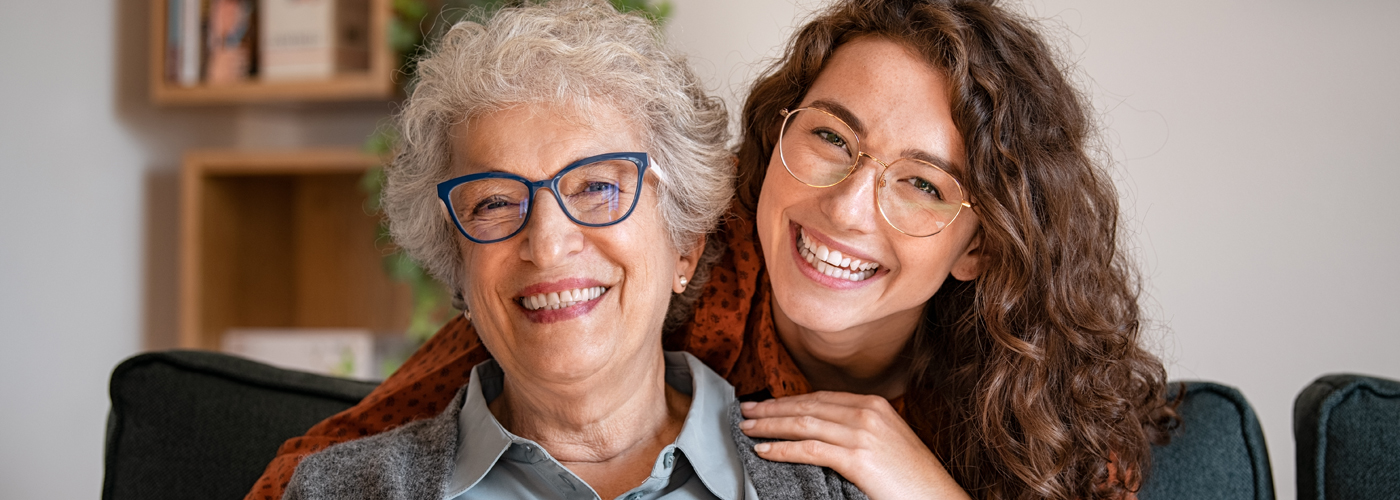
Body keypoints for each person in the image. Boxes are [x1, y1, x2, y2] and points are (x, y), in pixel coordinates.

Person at [249, 1, 1176, 499]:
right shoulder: (641, 254)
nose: (849, 208)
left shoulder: (1039, 409)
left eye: (923, 184)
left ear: (981, 246)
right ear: (775, 137)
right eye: (831, 139)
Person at [280, 2, 808, 499]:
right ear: (457, 269)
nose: (549, 246)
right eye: (493, 202)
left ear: (686, 250)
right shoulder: (341, 488)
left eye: (598, 188)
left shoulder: (829, 480)